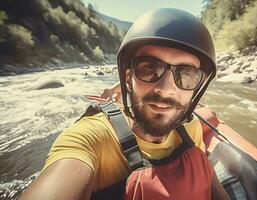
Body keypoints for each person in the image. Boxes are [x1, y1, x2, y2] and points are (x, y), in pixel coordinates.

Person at [20, 8, 229, 200]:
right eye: (148, 68)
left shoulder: (191, 128)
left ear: (197, 86)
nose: (166, 89)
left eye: (186, 74)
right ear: (128, 79)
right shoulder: (91, 138)